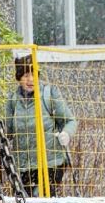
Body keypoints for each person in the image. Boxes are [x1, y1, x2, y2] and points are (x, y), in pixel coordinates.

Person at [5, 53, 76, 195]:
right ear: (19, 78)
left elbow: (70, 121)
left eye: (34, 75)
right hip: (24, 165)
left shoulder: (49, 94)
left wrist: (66, 134)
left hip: (50, 162)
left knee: (42, 199)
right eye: (26, 75)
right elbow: (8, 132)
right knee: (27, 202)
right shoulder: (13, 100)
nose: (30, 79)